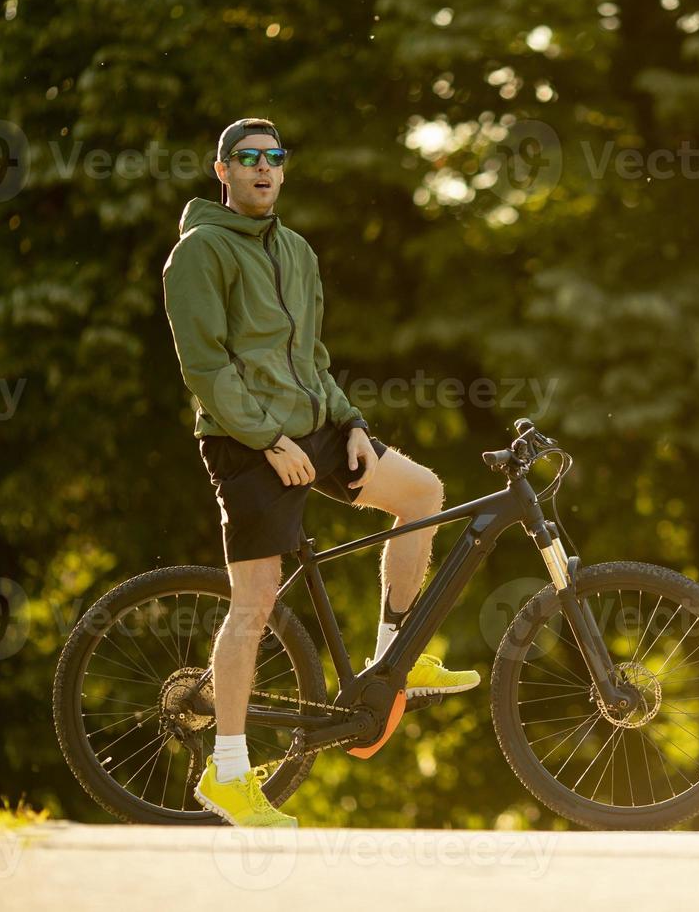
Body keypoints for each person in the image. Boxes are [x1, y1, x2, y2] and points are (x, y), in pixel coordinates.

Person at [162, 118, 479, 827]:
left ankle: (396, 659)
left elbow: (314, 358)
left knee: (423, 492)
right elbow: (205, 368)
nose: (263, 169)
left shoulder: (297, 252)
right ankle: (230, 771)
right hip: (246, 443)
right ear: (223, 171)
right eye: (247, 159)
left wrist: (354, 423)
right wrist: (269, 439)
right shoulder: (199, 253)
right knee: (257, 600)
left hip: (319, 427)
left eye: (274, 157)